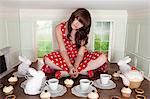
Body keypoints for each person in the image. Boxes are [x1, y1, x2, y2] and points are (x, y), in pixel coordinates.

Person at [41, 8, 108, 79]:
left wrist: (75, 67)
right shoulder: (59, 28)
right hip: (65, 56)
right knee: (47, 59)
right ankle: (83, 71)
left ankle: (68, 72)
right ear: (73, 17)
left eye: (81, 23)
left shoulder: (83, 32)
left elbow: (80, 54)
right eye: (77, 19)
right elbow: (63, 50)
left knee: (103, 57)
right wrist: (70, 66)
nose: (77, 24)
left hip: (81, 58)